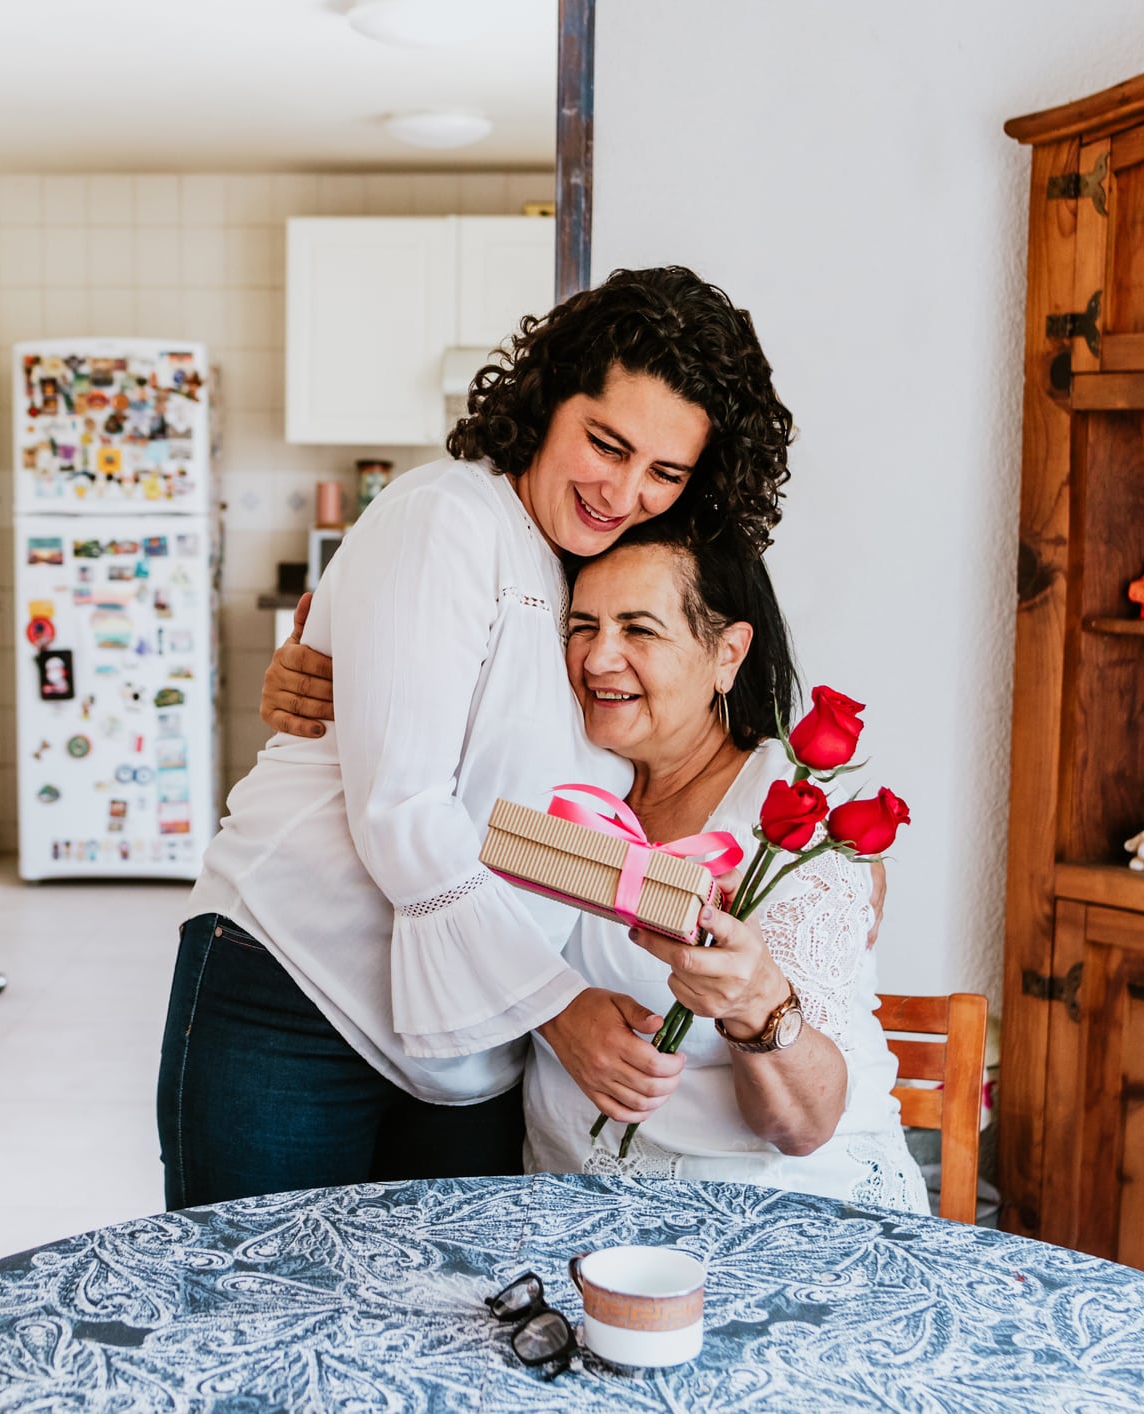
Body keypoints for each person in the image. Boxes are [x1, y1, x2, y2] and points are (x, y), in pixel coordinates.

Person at [159, 267, 795, 1209]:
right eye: (605, 444)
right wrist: (560, 1007)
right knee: (252, 1312)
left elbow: (548, 810)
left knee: (437, 1330)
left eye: (664, 472)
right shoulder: (446, 517)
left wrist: (811, 877)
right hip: (295, 989)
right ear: (547, 401)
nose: (622, 491)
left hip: (470, 1040)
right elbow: (403, 807)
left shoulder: (606, 577)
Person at [267, 525, 928, 1209]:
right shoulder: (568, 778)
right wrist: (327, 674)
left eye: (638, 630)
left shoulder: (785, 825)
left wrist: (754, 1000)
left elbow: (801, 1125)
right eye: (582, 626)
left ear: (726, 654)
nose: (598, 658)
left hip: (775, 1215)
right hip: (573, 1216)